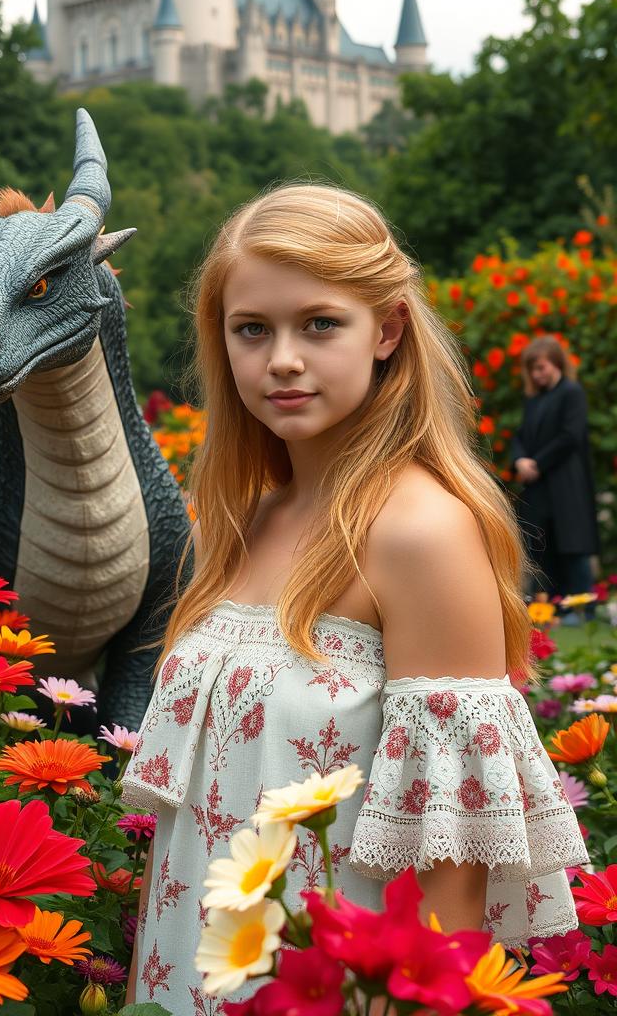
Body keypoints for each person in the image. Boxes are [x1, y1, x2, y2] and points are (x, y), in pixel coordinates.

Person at [122, 186, 587, 1013]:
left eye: (320, 323)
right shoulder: (244, 519)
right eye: (252, 329)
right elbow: (180, 846)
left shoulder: (423, 535)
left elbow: (453, 877)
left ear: (390, 330)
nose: (283, 359)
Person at [511, 336, 599, 619]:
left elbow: (570, 436)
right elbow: (521, 436)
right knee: (541, 547)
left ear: (556, 363)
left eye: (542, 367)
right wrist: (520, 460)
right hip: (540, 488)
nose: (537, 374)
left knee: (572, 547)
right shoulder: (535, 400)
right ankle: (551, 610)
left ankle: (582, 608)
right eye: (533, 369)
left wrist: (537, 463)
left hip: (566, 485)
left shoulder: (571, 393)